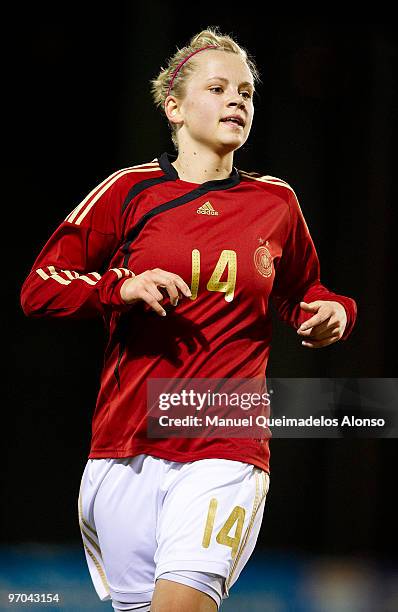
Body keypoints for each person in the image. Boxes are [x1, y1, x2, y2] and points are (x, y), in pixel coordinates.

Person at [20, 27, 357, 612]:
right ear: (173, 107)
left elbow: (305, 291)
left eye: (247, 92)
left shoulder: (275, 202)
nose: (237, 101)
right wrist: (119, 287)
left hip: (226, 442)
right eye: (219, 87)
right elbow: (40, 287)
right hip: (125, 445)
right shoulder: (129, 191)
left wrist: (333, 312)